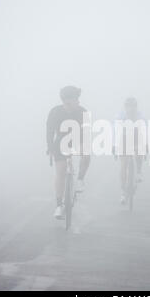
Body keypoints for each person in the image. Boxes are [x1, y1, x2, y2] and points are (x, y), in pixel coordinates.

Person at [46, 85, 90, 219]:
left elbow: (86, 133)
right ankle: (59, 205)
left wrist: (84, 148)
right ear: (63, 102)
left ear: (77, 101)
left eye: (74, 102)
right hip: (60, 142)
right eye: (67, 103)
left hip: (78, 140)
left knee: (86, 153)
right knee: (61, 171)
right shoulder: (55, 112)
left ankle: (80, 180)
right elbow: (49, 131)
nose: (70, 105)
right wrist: (50, 148)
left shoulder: (84, 112)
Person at [113, 97, 146, 205]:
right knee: (123, 164)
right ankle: (123, 191)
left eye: (133, 106)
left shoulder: (140, 116)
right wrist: (114, 145)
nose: (131, 109)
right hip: (123, 138)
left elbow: (145, 131)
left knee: (139, 151)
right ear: (125, 107)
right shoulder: (120, 116)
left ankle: (139, 171)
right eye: (128, 106)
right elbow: (115, 131)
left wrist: (145, 145)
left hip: (137, 137)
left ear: (136, 107)